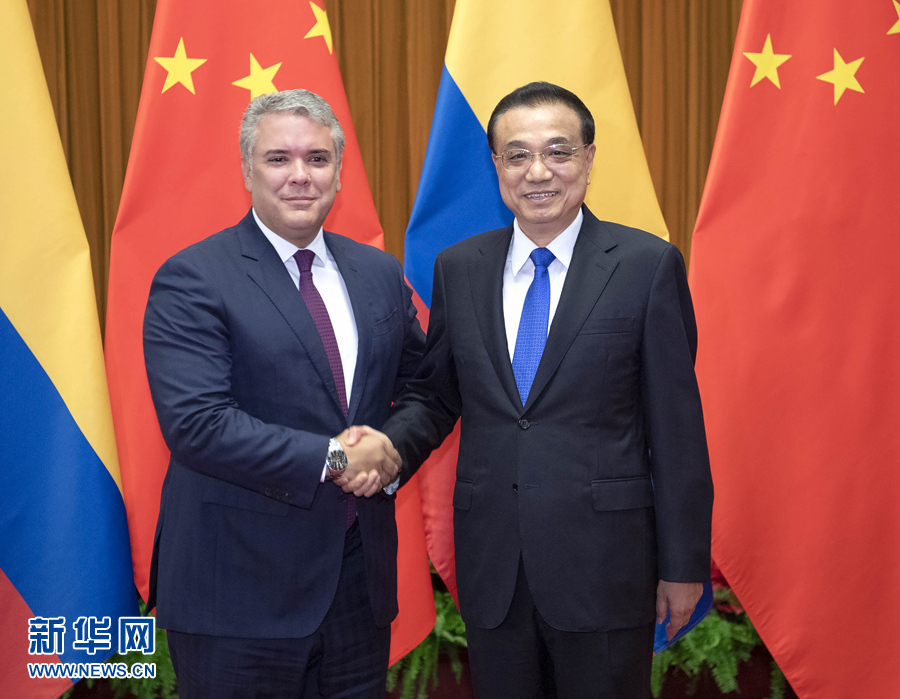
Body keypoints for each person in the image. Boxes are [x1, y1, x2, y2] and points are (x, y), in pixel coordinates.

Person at [376, 82, 713, 698]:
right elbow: (437, 395)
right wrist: (385, 451)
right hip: (495, 569)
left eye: (558, 151)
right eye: (517, 155)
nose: (538, 172)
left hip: (607, 567)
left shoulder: (646, 266)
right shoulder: (459, 268)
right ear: (497, 165)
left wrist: (684, 565)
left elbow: (678, 432)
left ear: (588, 158)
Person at [143, 89, 425, 698]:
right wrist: (338, 457)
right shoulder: (193, 277)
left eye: (317, 159)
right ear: (247, 170)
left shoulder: (378, 272)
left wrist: (389, 451)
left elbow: (423, 387)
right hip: (236, 594)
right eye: (279, 159)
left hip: (357, 588)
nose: (301, 175)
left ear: (338, 172)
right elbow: (197, 424)